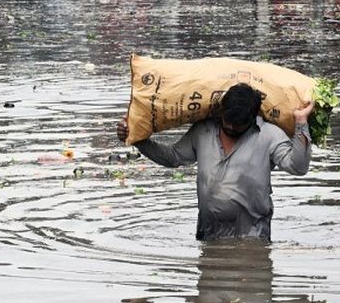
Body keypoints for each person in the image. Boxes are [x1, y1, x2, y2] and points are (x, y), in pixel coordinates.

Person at [117, 83, 314, 243]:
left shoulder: (269, 135)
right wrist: (137, 138)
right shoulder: (203, 131)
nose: (230, 127)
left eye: (238, 125)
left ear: (252, 119)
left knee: (252, 288)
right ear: (221, 112)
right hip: (208, 232)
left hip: (253, 237)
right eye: (227, 120)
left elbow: (298, 167)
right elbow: (172, 157)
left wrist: (301, 122)